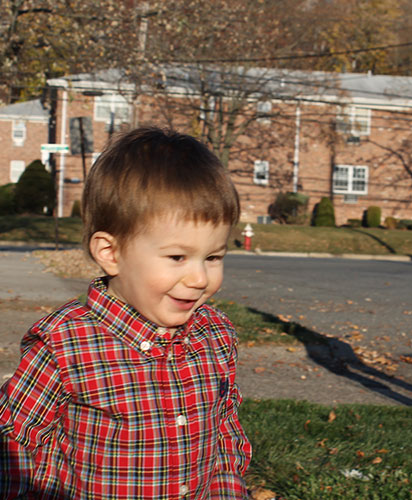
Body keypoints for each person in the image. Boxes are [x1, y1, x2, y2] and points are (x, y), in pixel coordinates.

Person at [0, 127, 252, 498]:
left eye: (213, 257)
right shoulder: (64, 343)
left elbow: (224, 433)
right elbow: (16, 443)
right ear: (111, 253)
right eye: (177, 257)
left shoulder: (215, 335)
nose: (200, 278)